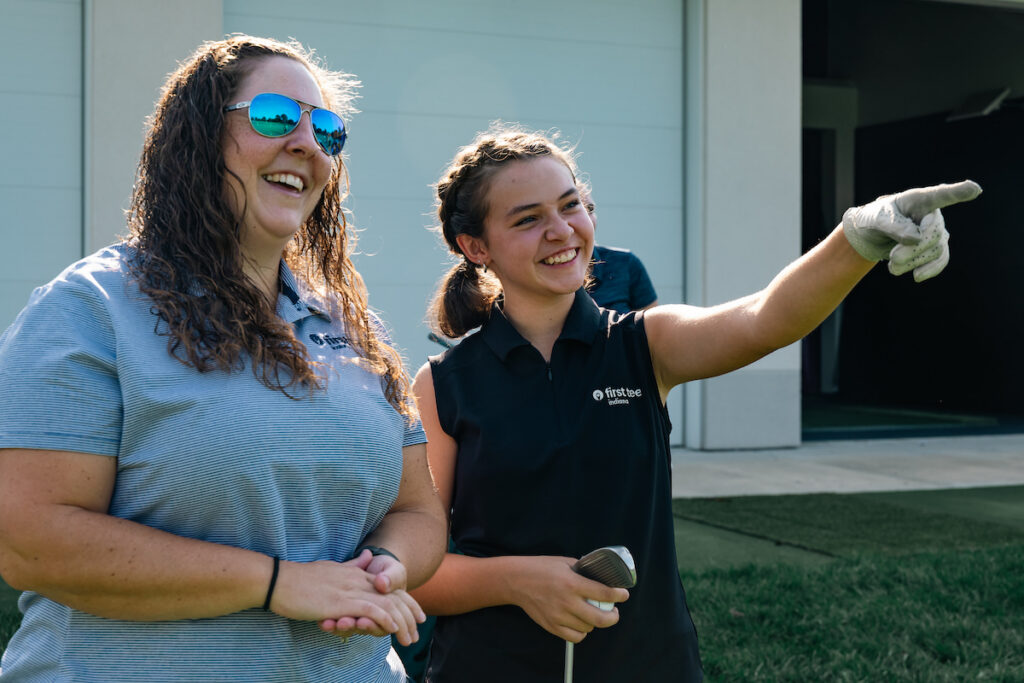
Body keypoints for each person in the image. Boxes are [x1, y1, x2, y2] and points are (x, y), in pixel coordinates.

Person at [409, 124, 980, 682]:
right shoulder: (442, 385)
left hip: (649, 663)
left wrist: (860, 234)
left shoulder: (645, 344)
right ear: (475, 247)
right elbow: (416, 570)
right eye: (528, 219)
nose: (561, 231)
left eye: (570, 205)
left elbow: (766, 318)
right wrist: (517, 581)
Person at [0, 36, 446, 682]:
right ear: (200, 137)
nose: (307, 143)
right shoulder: (92, 308)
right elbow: (31, 540)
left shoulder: (355, 329)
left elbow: (417, 512)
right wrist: (276, 583)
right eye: (275, 116)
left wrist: (384, 566)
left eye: (327, 129)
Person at [583, 194, 659, 312]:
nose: (585, 218)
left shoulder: (626, 263)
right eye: (570, 207)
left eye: (590, 209)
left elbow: (650, 320)